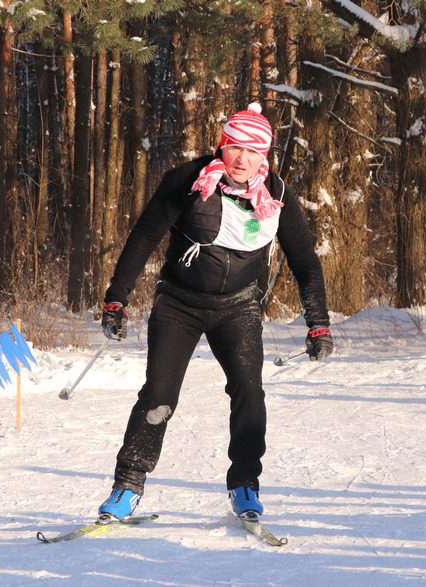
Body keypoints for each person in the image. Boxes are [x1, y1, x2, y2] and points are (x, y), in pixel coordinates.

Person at [96, 103, 333, 522]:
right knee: (159, 396)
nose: (242, 159)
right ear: (222, 147)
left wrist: (318, 323)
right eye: (235, 148)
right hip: (179, 305)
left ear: (265, 156)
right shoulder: (188, 181)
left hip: (238, 307)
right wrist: (117, 297)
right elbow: (145, 236)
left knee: (249, 392)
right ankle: (127, 487)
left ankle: (245, 484)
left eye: (253, 151)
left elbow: (306, 262)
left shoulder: (277, 197)